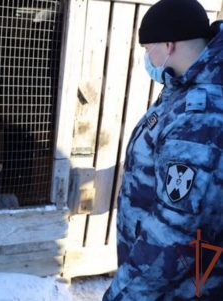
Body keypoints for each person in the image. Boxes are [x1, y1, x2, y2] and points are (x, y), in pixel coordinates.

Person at [103, 0, 223, 300]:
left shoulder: (200, 115)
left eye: (147, 48)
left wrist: (123, 294)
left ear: (168, 45)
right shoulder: (182, 90)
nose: (146, 56)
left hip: (174, 288)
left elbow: (174, 232)